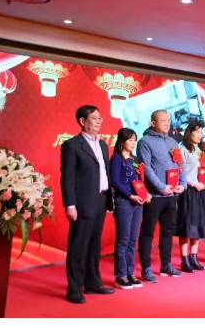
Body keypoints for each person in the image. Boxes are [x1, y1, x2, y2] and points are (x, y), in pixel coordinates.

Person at [60, 105, 116, 304]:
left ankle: (93, 283)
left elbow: (105, 173)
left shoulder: (102, 144)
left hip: (101, 200)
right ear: (82, 121)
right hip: (82, 203)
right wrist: (70, 205)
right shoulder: (72, 145)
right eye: (94, 118)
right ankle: (74, 289)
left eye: (100, 118)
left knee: (94, 245)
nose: (99, 121)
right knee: (78, 246)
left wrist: (109, 198)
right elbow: (67, 178)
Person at [137, 110, 187, 282]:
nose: (167, 123)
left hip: (172, 195)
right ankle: (146, 268)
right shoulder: (145, 142)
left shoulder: (173, 141)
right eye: (163, 120)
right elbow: (146, 168)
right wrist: (161, 187)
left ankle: (166, 265)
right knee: (148, 232)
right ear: (153, 123)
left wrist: (183, 184)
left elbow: (181, 165)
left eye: (168, 120)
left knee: (167, 232)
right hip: (154, 196)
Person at [109, 127, 150, 290]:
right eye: (130, 140)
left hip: (138, 202)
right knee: (123, 239)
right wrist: (130, 196)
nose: (133, 143)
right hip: (124, 201)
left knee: (133, 239)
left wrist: (145, 193)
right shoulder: (117, 158)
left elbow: (139, 180)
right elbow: (115, 182)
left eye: (135, 140)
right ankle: (121, 275)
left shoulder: (135, 159)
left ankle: (130, 272)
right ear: (122, 141)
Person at [175, 121, 205, 272]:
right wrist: (193, 183)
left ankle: (194, 258)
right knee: (187, 226)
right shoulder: (183, 150)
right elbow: (180, 172)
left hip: (202, 192)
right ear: (189, 133)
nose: (200, 135)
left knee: (198, 226)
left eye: (201, 133)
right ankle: (185, 260)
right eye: (197, 132)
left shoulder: (201, 150)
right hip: (190, 192)